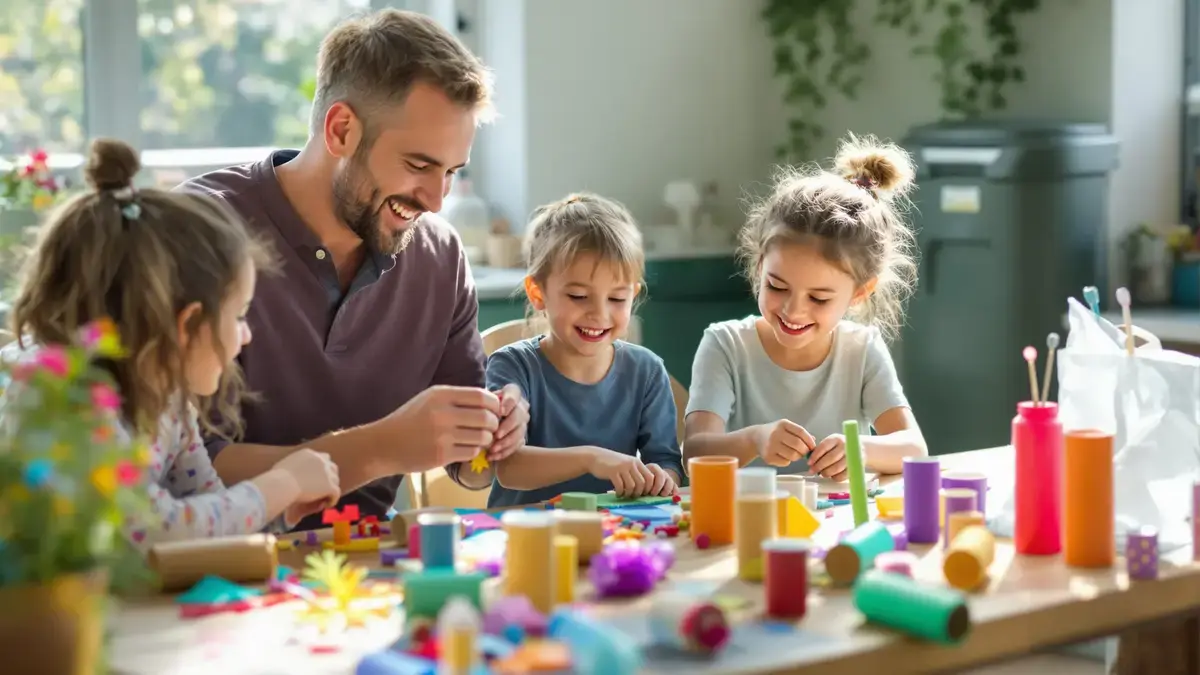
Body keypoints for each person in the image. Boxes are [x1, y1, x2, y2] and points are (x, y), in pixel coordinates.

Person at [176, 10, 529, 528]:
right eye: (419, 165)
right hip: (221, 562)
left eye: (452, 171)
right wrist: (381, 447)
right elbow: (182, 475)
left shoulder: (440, 256)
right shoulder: (196, 232)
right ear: (341, 129)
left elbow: (469, 469)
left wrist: (491, 434)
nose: (436, 200)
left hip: (370, 561)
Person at [4, 139, 341, 551]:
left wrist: (281, 508)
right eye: (239, 315)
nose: (247, 334)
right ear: (188, 323)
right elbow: (153, 531)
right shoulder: (71, 402)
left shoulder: (168, 403)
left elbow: (205, 515)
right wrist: (282, 483)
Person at [684, 134, 929, 479]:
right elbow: (693, 453)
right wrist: (754, 440)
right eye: (777, 286)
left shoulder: (861, 349)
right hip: (751, 512)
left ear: (860, 292)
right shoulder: (726, 345)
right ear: (760, 266)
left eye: (819, 298)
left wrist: (860, 450)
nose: (793, 310)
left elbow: (914, 449)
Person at [485, 194, 683, 507]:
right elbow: (508, 468)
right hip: (526, 530)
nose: (599, 314)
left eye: (616, 299)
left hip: (615, 530)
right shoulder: (512, 366)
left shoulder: (646, 371)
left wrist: (660, 479)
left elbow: (667, 465)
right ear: (538, 293)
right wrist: (592, 459)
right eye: (578, 296)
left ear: (633, 295)